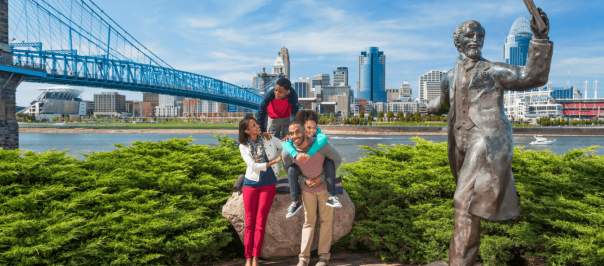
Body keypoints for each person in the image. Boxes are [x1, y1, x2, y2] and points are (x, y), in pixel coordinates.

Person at [428, 9, 552, 266]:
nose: (476, 39)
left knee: (463, 199)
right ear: (458, 41)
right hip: (459, 142)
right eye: (470, 35)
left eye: (480, 36)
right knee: (468, 204)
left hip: (486, 139)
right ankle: (465, 259)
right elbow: (442, 103)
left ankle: (458, 262)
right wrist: (429, 106)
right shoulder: (448, 76)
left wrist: (539, 38)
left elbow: (532, 76)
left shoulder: (492, 70)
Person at [282, 121, 342, 266]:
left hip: (324, 189)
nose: (295, 135)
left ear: (304, 132)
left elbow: (337, 161)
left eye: (297, 131)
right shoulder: (288, 151)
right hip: (307, 190)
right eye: (291, 133)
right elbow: (289, 169)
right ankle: (303, 258)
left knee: (326, 222)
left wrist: (320, 179)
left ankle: (323, 257)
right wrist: (304, 180)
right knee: (308, 223)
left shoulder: (321, 145)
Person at [238, 115, 283, 266]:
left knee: (260, 222)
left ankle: (256, 257)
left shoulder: (268, 138)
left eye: (256, 124)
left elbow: (285, 146)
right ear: (246, 131)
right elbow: (253, 166)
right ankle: (248, 257)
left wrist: (279, 157)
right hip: (250, 184)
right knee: (249, 222)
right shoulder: (243, 146)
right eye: (253, 125)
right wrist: (272, 162)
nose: (257, 126)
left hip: (269, 183)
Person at [283, 110, 341, 219]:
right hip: (305, 181)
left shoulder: (320, 139)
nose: (312, 131)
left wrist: (322, 177)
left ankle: (332, 196)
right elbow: (286, 157)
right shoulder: (291, 140)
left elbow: (336, 158)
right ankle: (295, 201)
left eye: (314, 127)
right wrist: (295, 154)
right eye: (309, 128)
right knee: (291, 169)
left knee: (329, 162)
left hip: (322, 177)